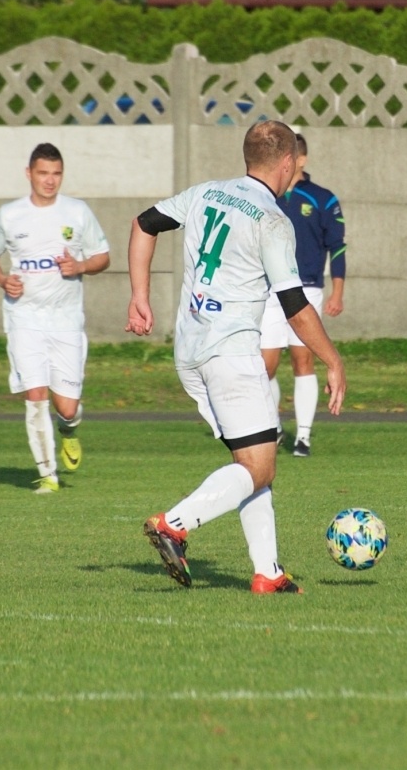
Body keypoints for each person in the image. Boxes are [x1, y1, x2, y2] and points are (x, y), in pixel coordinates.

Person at [127, 120, 346, 594]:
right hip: (230, 352)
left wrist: (139, 296)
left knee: (253, 460)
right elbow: (295, 307)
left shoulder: (207, 192)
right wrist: (333, 360)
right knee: (259, 467)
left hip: (190, 349)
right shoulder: (271, 219)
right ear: (287, 163)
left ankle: (268, 573)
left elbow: (144, 224)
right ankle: (174, 524)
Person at [0, 143, 110, 493]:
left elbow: (103, 256)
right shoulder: (9, 215)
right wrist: (2, 279)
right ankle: (47, 474)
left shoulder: (78, 212)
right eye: (43, 173)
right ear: (29, 174)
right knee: (35, 394)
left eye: (56, 174)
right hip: (24, 319)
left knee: (66, 407)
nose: (50, 181)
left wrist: (80, 265)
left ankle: (69, 429)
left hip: (66, 321)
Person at [258, 133, 346, 457]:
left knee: (302, 359)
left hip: (307, 287)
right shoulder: (265, 197)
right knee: (265, 365)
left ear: (301, 159)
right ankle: (275, 427)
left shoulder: (323, 198)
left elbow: (337, 247)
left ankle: (303, 437)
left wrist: (337, 290)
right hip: (268, 291)